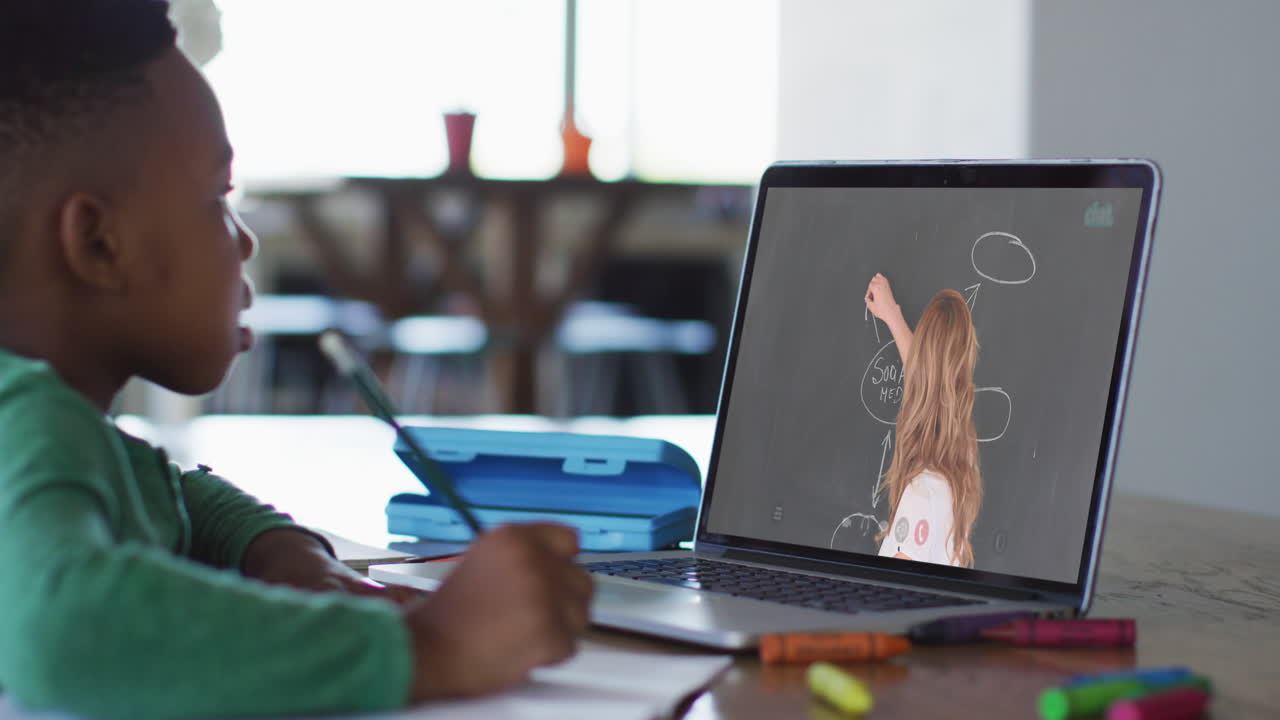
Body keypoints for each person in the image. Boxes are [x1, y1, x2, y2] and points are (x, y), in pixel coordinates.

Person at [0, 2, 591, 718]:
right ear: (98, 244)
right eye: (219, 198)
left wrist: (274, 548)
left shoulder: (53, 428)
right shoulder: (30, 425)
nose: (244, 242)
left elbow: (170, 492)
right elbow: (67, 634)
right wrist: (434, 647)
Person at [864, 273, 982, 568]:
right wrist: (894, 318)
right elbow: (932, 394)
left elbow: (895, 597)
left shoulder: (921, 496)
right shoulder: (961, 462)